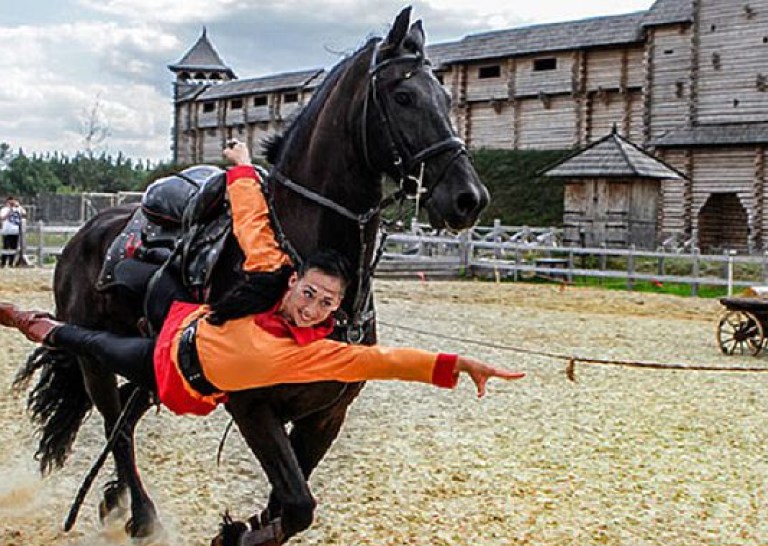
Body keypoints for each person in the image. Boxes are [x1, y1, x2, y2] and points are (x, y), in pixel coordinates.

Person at [0, 142, 524, 415]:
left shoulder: (321, 354)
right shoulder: (272, 273)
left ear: (337, 312)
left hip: (188, 385)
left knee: (90, 344)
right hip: (175, 336)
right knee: (79, 339)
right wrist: (243, 168)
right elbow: (252, 222)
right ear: (294, 281)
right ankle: (20, 317)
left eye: (325, 305)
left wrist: (460, 364)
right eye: (309, 293)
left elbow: (386, 360)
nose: (311, 307)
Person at [0, 196, 26, 267]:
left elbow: (24, 214)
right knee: (6, 247)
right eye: (10, 202)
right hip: (7, 231)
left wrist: (19, 206)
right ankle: (3, 263)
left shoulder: (18, 209)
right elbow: (2, 218)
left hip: (16, 231)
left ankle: (11, 263)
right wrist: (10, 211)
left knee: (14, 247)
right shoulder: (4, 209)